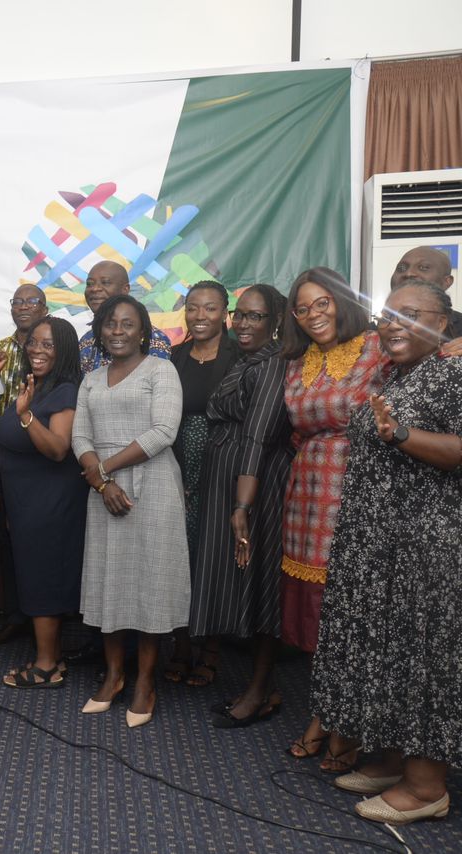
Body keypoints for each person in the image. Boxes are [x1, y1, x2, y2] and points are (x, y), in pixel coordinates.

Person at [311, 282, 461, 825]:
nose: (393, 324)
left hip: (426, 543)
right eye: (387, 315)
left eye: (409, 315)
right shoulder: (397, 374)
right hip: (380, 544)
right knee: (390, 652)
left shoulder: (453, 373)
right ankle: (396, 762)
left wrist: (398, 433)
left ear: (442, 323)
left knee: (422, 660)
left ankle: (426, 789)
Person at [278, 268, 385, 770]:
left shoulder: (379, 346)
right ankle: (328, 711)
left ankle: (346, 723)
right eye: (303, 308)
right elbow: (297, 430)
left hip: (361, 490)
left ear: (342, 300)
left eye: (322, 303)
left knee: (353, 612)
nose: (313, 314)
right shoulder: (298, 361)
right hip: (308, 493)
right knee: (319, 617)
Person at [72, 294, 188, 728]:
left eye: (127, 323)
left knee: (149, 582)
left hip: (153, 486)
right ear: (99, 331)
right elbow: (80, 437)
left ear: (143, 332)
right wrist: (102, 483)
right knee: (110, 581)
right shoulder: (91, 379)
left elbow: (164, 431)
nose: (118, 331)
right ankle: (114, 675)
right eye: (110, 323)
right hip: (104, 492)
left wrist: (105, 470)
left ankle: (144, 682)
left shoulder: (161, 370)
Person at [192, 285, 293, 727]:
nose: (244, 323)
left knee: (260, 583)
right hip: (229, 478)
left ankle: (260, 690)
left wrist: (242, 505)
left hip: (256, 483)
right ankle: (259, 686)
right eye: (241, 315)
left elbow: (256, 436)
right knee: (242, 583)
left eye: (256, 316)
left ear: (276, 321)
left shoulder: (272, 363)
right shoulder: (248, 359)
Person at [0, 317, 86, 688]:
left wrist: (26, 415)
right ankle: (53, 659)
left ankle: (44, 667)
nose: (36, 350)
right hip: (27, 503)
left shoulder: (65, 390)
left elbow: (58, 448)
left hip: (50, 504)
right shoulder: (37, 386)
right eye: (33, 343)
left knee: (42, 578)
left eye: (48, 344)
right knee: (36, 574)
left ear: (64, 350)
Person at [164, 281, 236, 687]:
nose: (200, 316)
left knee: (214, 557)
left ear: (225, 313)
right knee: (181, 558)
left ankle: (210, 649)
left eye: (209, 308)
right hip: (178, 467)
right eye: (192, 308)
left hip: (223, 466)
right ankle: (180, 646)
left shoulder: (240, 357)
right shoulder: (174, 358)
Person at [0, 282, 49, 645]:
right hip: (8, 458)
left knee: (44, 539)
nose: (23, 306)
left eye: (32, 301)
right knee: (8, 539)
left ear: (45, 308)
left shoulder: (56, 347)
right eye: (17, 301)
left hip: (48, 457)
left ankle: (50, 617)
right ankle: (16, 614)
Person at [78, 261, 172, 372]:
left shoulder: (152, 340)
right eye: (89, 284)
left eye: (105, 282)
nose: (94, 289)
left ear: (125, 289)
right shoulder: (86, 340)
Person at [389, 245, 460, 336]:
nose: (409, 273)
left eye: (423, 267)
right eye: (401, 268)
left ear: (446, 281)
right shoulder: (374, 333)